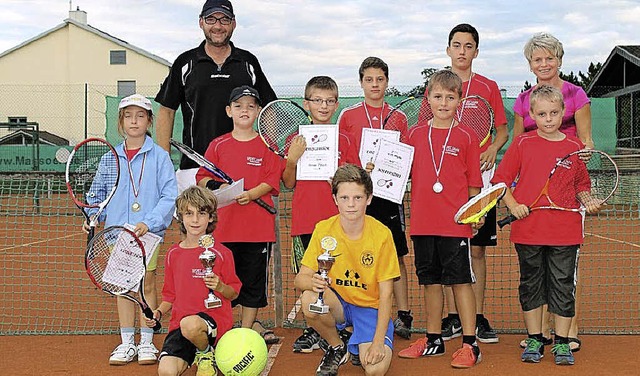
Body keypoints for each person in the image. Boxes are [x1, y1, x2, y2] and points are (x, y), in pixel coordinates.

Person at [491, 85, 602, 365]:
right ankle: (535, 338)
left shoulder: (574, 147)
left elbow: (581, 185)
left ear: (564, 113)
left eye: (554, 112)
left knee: (563, 285)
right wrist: (513, 205)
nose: (549, 118)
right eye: (542, 113)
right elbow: (501, 182)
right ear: (532, 115)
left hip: (566, 231)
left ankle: (563, 342)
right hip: (527, 230)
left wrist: (589, 201)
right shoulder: (521, 144)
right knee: (531, 285)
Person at [513, 32, 594, 352]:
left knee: (564, 269)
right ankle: (539, 334)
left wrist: (580, 153)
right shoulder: (523, 100)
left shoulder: (577, 94)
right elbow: (519, 141)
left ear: (559, 59)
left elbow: (587, 141)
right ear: (530, 64)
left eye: (549, 57)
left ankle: (567, 333)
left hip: (569, 188)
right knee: (535, 271)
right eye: (537, 59)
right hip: (535, 196)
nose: (544, 63)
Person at [84, 94, 177, 365]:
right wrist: (92, 215)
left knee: (147, 283)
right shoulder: (109, 158)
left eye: (140, 116)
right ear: (121, 122)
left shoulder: (160, 157)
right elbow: (97, 195)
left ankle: (147, 342)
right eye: (128, 116)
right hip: (116, 234)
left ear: (149, 120)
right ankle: (127, 343)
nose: (134, 121)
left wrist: (150, 222)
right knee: (123, 286)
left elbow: (169, 196)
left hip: (148, 234)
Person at [430, 23, 509, 344]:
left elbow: (501, 130)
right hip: (446, 183)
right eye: (456, 45)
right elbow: (426, 131)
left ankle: (475, 317)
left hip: (480, 179)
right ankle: (451, 318)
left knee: (476, 250)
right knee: (449, 251)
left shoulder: (488, 86)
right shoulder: (435, 85)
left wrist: (492, 147)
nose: (462, 51)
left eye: (468, 46)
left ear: (476, 51)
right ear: (448, 49)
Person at [398, 70, 483, 368]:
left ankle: (470, 343)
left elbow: (474, 184)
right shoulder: (415, 134)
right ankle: (433, 338)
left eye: (450, 97)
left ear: (459, 100)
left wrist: (476, 213)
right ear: (428, 99)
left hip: (455, 224)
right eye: (437, 96)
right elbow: (399, 172)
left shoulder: (467, 137)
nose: (444, 102)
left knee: (460, 282)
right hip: (422, 223)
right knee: (430, 283)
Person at [155, 0, 276, 192]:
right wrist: (163, 161)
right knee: (197, 223)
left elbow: (269, 110)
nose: (218, 26)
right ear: (201, 22)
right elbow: (166, 111)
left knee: (244, 223)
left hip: (245, 166)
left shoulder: (248, 62)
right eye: (211, 19)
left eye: (224, 19)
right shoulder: (185, 62)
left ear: (233, 24)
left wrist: (269, 152)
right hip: (195, 167)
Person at [294, 164, 400, 376]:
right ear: (335, 199)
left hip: (369, 308)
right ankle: (337, 345)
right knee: (309, 298)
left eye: (358, 198)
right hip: (339, 303)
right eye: (344, 198)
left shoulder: (382, 235)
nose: (351, 204)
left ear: (368, 199)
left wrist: (378, 342)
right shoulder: (323, 229)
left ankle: (357, 335)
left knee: (374, 370)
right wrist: (313, 282)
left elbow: (387, 293)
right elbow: (300, 279)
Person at [196, 85, 281, 344]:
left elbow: (272, 179)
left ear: (258, 112)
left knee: (252, 283)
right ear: (228, 111)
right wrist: (219, 187)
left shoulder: (269, 144)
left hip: (257, 230)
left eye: (251, 106)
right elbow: (202, 179)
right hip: (224, 230)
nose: (245, 110)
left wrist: (252, 194)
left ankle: (245, 332)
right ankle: (223, 328)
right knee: (222, 282)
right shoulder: (217, 145)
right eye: (239, 106)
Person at [337, 57, 413, 340]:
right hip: (357, 197)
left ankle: (404, 314)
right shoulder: (348, 115)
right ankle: (356, 312)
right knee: (355, 253)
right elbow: (344, 157)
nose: (374, 85)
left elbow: (405, 156)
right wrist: (360, 170)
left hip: (388, 195)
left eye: (379, 79)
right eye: (369, 80)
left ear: (387, 82)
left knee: (396, 254)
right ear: (361, 83)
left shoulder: (399, 117)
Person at [282, 76, 359, 354]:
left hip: (340, 224)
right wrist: (292, 159)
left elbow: (354, 183)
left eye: (329, 101)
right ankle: (314, 327)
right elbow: (288, 182)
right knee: (308, 279)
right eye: (317, 100)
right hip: (306, 222)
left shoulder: (346, 140)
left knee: (340, 278)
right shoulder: (295, 139)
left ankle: (344, 327)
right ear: (307, 104)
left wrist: (338, 182)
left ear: (337, 104)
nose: (323, 106)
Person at [146, 186, 242, 376]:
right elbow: (170, 296)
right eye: (189, 214)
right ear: (181, 217)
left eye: (202, 213)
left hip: (213, 325)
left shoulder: (222, 254)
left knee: (190, 324)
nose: (195, 220)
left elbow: (234, 292)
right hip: (182, 326)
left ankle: (206, 354)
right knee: (166, 371)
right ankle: (196, 353)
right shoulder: (173, 254)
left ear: (211, 217)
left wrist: (220, 286)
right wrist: (158, 312)